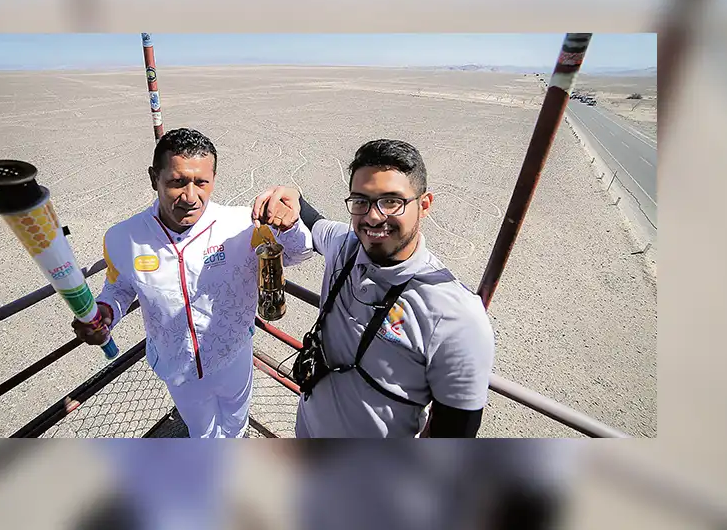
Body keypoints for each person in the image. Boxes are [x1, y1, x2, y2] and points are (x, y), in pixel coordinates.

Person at [73, 128, 314, 438]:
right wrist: (105, 312)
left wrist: (292, 224)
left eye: (201, 182)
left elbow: (298, 253)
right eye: (177, 182)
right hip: (178, 366)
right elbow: (118, 287)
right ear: (153, 178)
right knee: (202, 431)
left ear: (213, 179)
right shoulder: (123, 238)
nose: (190, 196)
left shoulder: (242, 225)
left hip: (234, 354)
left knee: (235, 422)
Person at [252, 139, 495, 438]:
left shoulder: (455, 315)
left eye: (392, 201)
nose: (374, 216)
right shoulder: (345, 246)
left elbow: (455, 433)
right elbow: (314, 222)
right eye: (361, 201)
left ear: (425, 205)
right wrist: (293, 197)